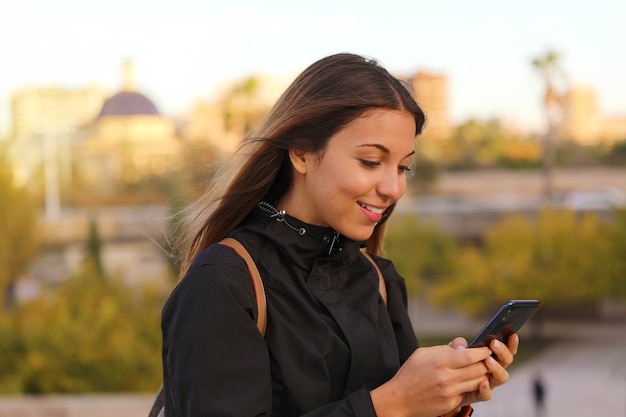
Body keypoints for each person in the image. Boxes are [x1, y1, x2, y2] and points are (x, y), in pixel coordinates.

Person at [160, 52, 519, 417]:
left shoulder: (378, 279)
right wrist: (389, 404)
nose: (393, 188)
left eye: (403, 167)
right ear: (301, 152)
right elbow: (390, 405)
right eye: (370, 161)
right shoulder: (223, 283)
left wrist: (442, 400)